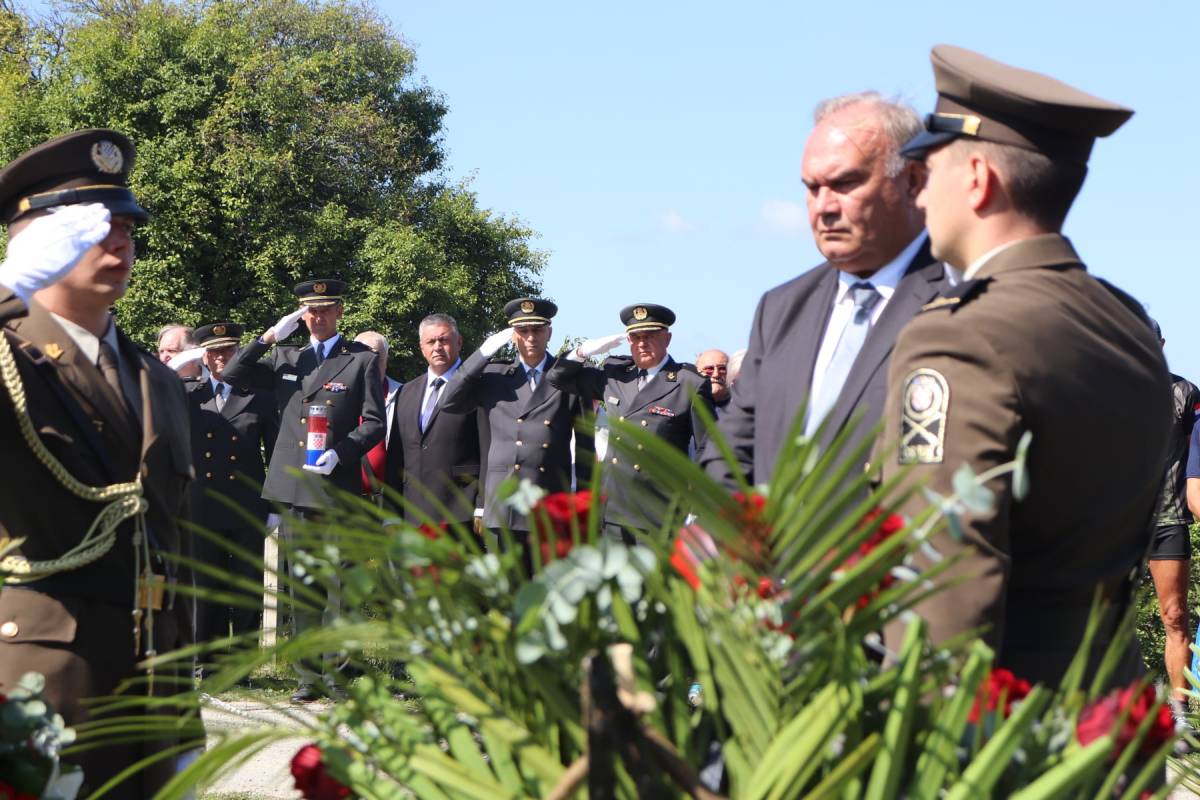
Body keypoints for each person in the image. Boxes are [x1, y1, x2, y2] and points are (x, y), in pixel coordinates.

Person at [878, 45, 1170, 687]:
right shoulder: (1126, 324)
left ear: (978, 179)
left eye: (928, 171)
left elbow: (942, 583)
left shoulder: (959, 339)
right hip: (1104, 714)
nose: (918, 194)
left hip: (1000, 742)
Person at [0, 129, 194, 798]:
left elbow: (167, 549)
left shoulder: (156, 380)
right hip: (35, 691)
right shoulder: (9, 356)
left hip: (149, 695)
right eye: (95, 226)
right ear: (34, 243)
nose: (120, 241)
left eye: (128, 226)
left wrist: (184, 717)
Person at [700, 92, 949, 487]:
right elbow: (731, 453)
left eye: (845, 183)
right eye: (812, 188)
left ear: (913, 181)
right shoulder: (781, 310)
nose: (823, 207)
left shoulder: (961, 301)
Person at [221, 278, 384, 700]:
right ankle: (307, 678)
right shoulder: (286, 357)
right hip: (293, 487)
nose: (317, 316)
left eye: (326, 308)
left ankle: (338, 676)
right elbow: (234, 372)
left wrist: (343, 453)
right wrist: (269, 336)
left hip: (335, 487)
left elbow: (373, 422)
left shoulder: (359, 360)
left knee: (339, 590)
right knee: (302, 587)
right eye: (310, 310)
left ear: (339, 311)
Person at [439, 298, 593, 570]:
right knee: (508, 596)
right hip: (503, 504)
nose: (530, 338)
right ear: (513, 335)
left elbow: (585, 450)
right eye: (523, 331)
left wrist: (581, 508)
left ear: (550, 332)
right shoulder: (494, 375)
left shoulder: (567, 377)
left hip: (549, 503)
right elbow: (448, 401)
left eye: (537, 330)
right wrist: (482, 354)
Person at [546, 303, 713, 539]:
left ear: (667, 338)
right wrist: (582, 352)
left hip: (660, 511)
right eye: (635, 337)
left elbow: (709, 447)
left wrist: (698, 503)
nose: (642, 343)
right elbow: (556, 379)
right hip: (613, 510)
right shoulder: (615, 376)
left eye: (650, 336)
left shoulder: (688, 383)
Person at [175, 322, 280, 652]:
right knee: (206, 583)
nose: (222, 357)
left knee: (247, 583)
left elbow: (276, 452)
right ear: (204, 357)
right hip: (202, 503)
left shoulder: (259, 398)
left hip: (246, 503)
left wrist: (275, 506)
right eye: (214, 351)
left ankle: (244, 662)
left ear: (239, 353)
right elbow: (153, 386)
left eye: (228, 350)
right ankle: (208, 656)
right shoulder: (189, 394)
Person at [384, 313, 486, 532]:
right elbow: (395, 455)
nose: (437, 347)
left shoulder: (478, 387)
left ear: (459, 342)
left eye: (444, 340)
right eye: (431, 341)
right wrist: (391, 512)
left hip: (460, 512)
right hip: (413, 514)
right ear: (421, 347)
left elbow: (488, 451)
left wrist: (482, 505)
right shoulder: (406, 391)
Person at [353, 331, 402, 504]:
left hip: (389, 501)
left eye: (376, 356)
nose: (370, 362)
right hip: (346, 497)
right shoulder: (338, 395)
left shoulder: (404, 395)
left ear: (386, 361)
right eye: (364, 355)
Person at [695, 349, 731, 415]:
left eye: (722, 369)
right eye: (709, 369)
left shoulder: (745, 407)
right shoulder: (686, 407)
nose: (716, 374)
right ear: (697, 373)